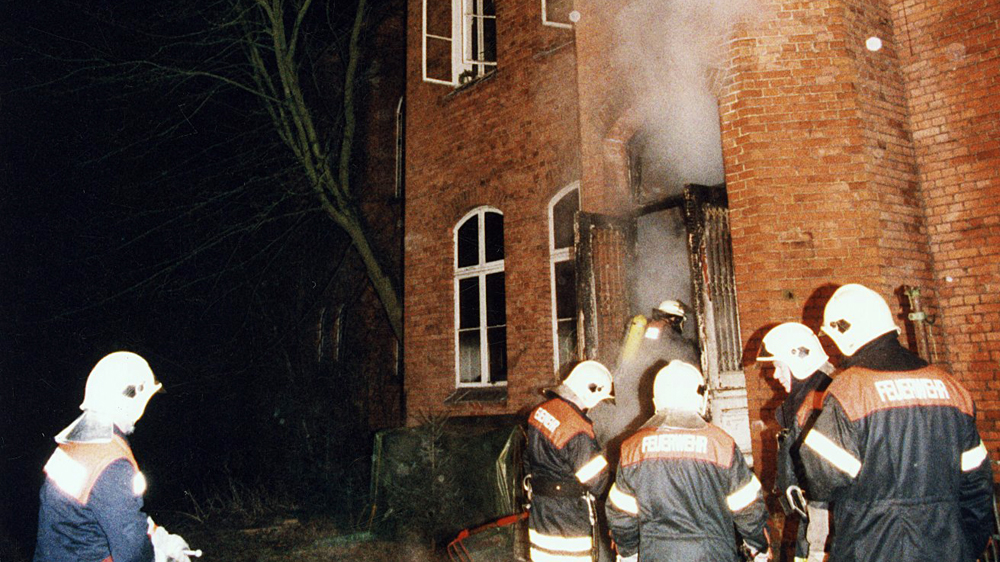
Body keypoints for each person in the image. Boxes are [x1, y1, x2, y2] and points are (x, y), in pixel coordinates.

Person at [799, 283, 994, 561]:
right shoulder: (952, 388)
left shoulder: (850, 391)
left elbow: (822, 480)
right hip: (948, 549)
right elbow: (978, 487)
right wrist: (964, 547)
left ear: (846, 333)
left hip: (873, 549)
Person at [34, 351, 192, 562]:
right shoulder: (112, 462)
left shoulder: (74, 444)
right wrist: (160, 557)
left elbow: (105, 512)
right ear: (133, 397)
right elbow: (131, 550)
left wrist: (158, 536)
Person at [605, 360, 771, 562]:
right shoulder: (721, 444)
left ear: (656, 399)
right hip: (712, 553)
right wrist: (759, 546)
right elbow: (748, 509)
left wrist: (628, 552)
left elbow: (621, 514)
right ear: (699, 397)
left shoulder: (633, 448)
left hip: (657, 555)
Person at [757, 322, 835, 562]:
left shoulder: (824, 404)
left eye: (779, 367)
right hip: (809, 521)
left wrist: (818, 548)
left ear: (799, 361)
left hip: (826, 528)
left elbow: (827, 483)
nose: (775, 375)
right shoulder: (804, 403)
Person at [524, 360, 614, 562]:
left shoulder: (540, 412)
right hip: (567, 518)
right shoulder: (575, 427)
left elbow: (527, 459)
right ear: (590, 392)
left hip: (541, 513)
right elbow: (596, 481)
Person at [592, 299, 699, 447]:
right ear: (674, 319)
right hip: (652, 396)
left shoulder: (643, 329)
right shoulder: (672, 337)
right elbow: (688, 361)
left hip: (631, 391)